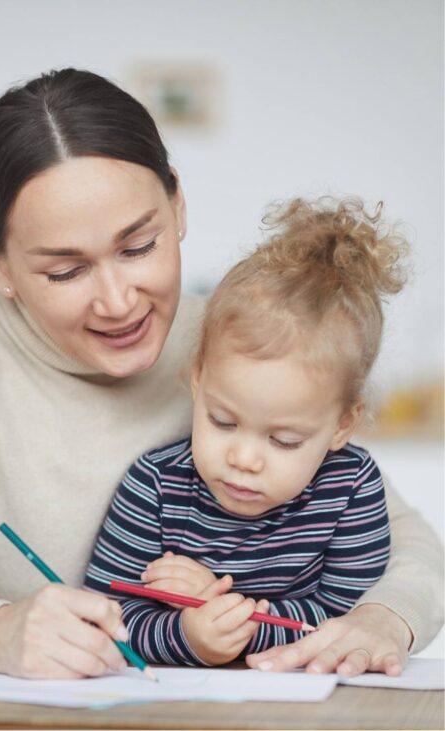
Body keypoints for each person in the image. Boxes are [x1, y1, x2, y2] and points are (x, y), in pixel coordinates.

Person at [0, 68, 443, 679]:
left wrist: (385, 620)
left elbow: (407, 545)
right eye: (67, 270)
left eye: (139, 246)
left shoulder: (236, 340)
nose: (118, 302)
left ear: (177, 205)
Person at [84, 197, 399, 666]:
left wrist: (230, 612)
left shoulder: (350, 488)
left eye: (284, 441)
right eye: (222, 421)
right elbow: (107, 615)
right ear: (198, 379)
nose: (244, 458)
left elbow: (350, 617)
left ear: (343, 424)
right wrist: (187, 633)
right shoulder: (155, 486)